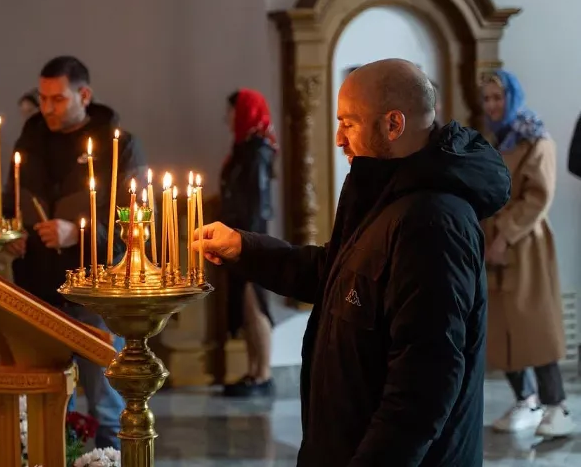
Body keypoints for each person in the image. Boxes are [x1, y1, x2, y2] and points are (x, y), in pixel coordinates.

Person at [193, 58, 510, 466]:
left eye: (349, 123)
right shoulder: (386, 193)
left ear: (393, 125)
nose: (339, 138)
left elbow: (423, 388)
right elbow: (335, 276)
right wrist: (244, 248)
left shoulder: (434, 221)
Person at [5, 56, 147, 449]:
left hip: (93, 290)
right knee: (43, 398)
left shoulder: (119, 144)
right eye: (43, 98)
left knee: (105, 401)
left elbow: (135, 226)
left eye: (58, 99)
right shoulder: (29, 139)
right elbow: (11, 201)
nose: (47, 108)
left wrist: (81, 234)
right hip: (36, 288)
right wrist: (11, 232)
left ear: (84, 95)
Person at [481, 70, 574, 437]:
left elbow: (538, 196)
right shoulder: (494, 140)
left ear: (512, 97)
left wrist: (504, 234)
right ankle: (527, 400)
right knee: (503, 326)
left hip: (526, 244)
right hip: (493, 244)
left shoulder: (536, 137)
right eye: (486, 98)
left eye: (498, 97)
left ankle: (557, 405)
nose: (492, 104)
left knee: (534, 325)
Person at [219, 89, 277, 397]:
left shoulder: (257, 150)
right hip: (240, 236)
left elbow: (255, 204)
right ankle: (255, 370)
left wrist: (248, 245)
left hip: (250, 238)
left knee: (256, 305)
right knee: (245, 304)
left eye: (231, 111)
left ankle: (263, 374)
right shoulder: (245, 148)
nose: (227, 118)